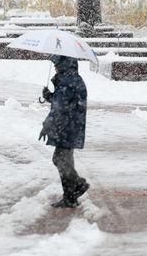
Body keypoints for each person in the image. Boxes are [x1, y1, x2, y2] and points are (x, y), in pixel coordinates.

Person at [39, 54, 90, 208]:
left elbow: (59, 108)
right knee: (64, 160)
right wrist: (51, 96)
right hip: (71, 126)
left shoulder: (68, 82)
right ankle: (71, 195)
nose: (55, 67)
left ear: (64, 65)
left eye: (57, 64)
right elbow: (63, 101)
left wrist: (46, 126)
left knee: (60, 160)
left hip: (66, 127)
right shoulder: (73, 80)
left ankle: (75, 189)